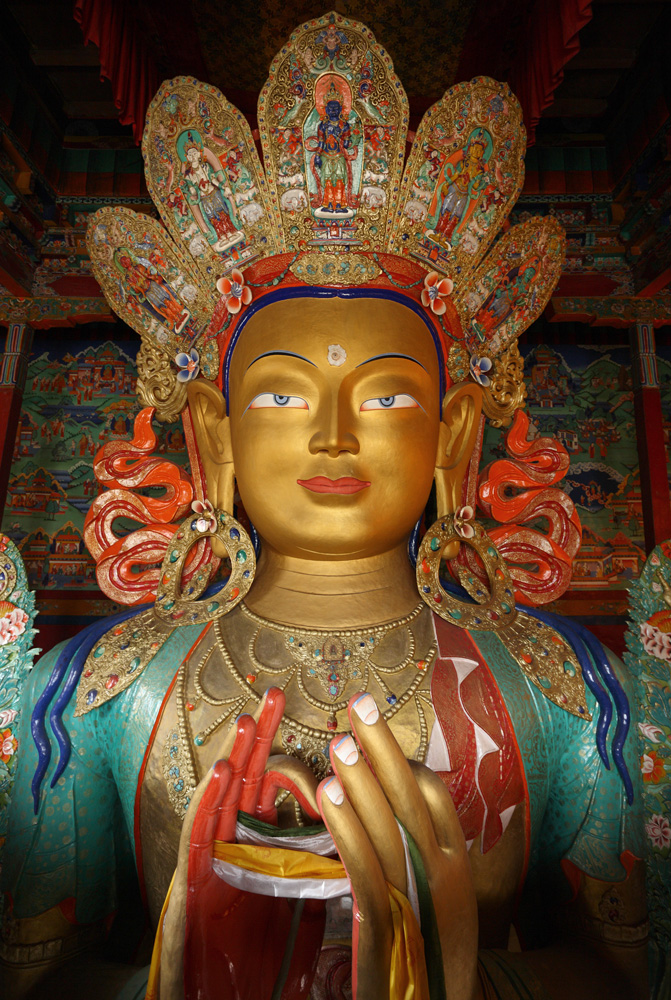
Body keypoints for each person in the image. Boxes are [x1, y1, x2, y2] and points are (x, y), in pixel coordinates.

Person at [0, 14, 649, 1000]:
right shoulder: (97, 698)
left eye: (388, 395)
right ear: (215, 436)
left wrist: (470, 982)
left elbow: (634, 968)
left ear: (455, 432)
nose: (333, 434)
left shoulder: (561, 693)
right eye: (281, 395)